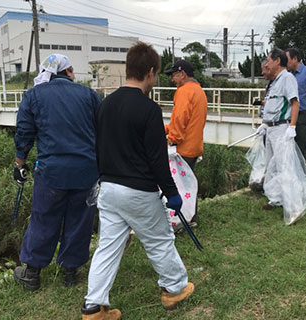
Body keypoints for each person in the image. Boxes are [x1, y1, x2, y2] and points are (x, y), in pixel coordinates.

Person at [81, 42, 194, 320]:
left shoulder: (105, 105)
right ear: (151, 72)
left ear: (129, 68)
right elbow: (157, 159)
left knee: (108, 246)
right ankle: (175, 289)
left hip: (107, 188)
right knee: (159, 240)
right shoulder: (149, 109)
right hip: (138, 190)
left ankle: (94, 307)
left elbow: (98, 147)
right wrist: (172, 193)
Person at [12, 54, 101, 290]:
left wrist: (19, 164)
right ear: (69, 71)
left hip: (52, 172)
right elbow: (102, 130)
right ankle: (70, 272)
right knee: (80, 219)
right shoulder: (89, 95)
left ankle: (32, 274)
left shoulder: (33, 95)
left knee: (44, 218)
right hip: (86, 171)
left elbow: (24, 133)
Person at [163, 59, 208, 224]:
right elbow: (186, 120)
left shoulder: (183, 91)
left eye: (174, 75)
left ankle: (181, 220)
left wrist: (171, 140)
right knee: (188, 185)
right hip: (195, 146)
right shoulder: (198, 91)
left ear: (182, 74)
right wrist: (165, 129)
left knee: (178, 186)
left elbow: (181, 119)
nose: (172, 79)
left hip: (182, 149)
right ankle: (191, 217)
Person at [255, 48, 300, 210]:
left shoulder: (287, 78)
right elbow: (274, 105)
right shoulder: (275, 81)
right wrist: (265, 124)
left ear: (277, 61)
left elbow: (295, 102)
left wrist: (292, 126)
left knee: (284, 165)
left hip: (282, 128)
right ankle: (276, 199)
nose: (267, 64)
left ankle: (293, 204)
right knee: (271, 165)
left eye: (269, 60)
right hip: (272, 128)